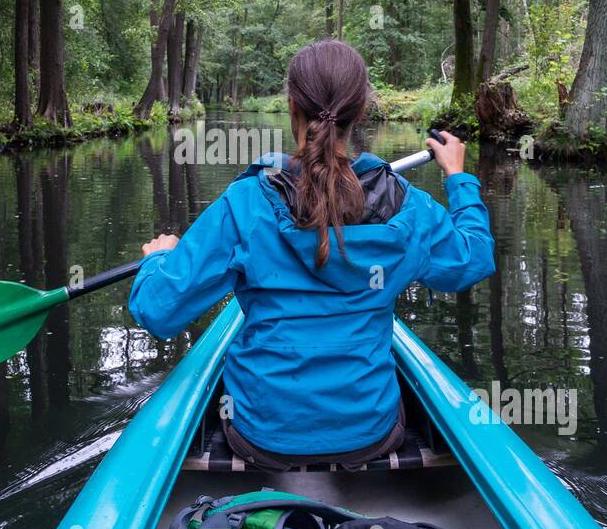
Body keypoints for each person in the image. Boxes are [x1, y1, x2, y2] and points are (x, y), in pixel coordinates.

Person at [128, 40, 495, 471]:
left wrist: (161, 258)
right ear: (360, 112)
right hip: (370, 433)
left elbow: (157, 311)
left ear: (290, 106)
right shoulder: (407, 207)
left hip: (261, 436)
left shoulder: (245, 202)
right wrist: (458, 176)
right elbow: (473, 259)